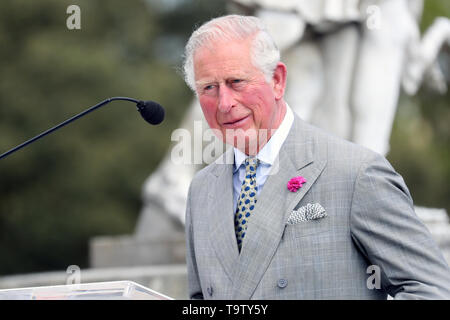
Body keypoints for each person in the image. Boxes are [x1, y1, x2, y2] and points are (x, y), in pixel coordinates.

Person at [183, 14, 450, 299]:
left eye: (237, 81)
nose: (224, 103)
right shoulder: (201, 190)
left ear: (277, 80)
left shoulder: (356, 174)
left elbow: (433, 290)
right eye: (208, 88)